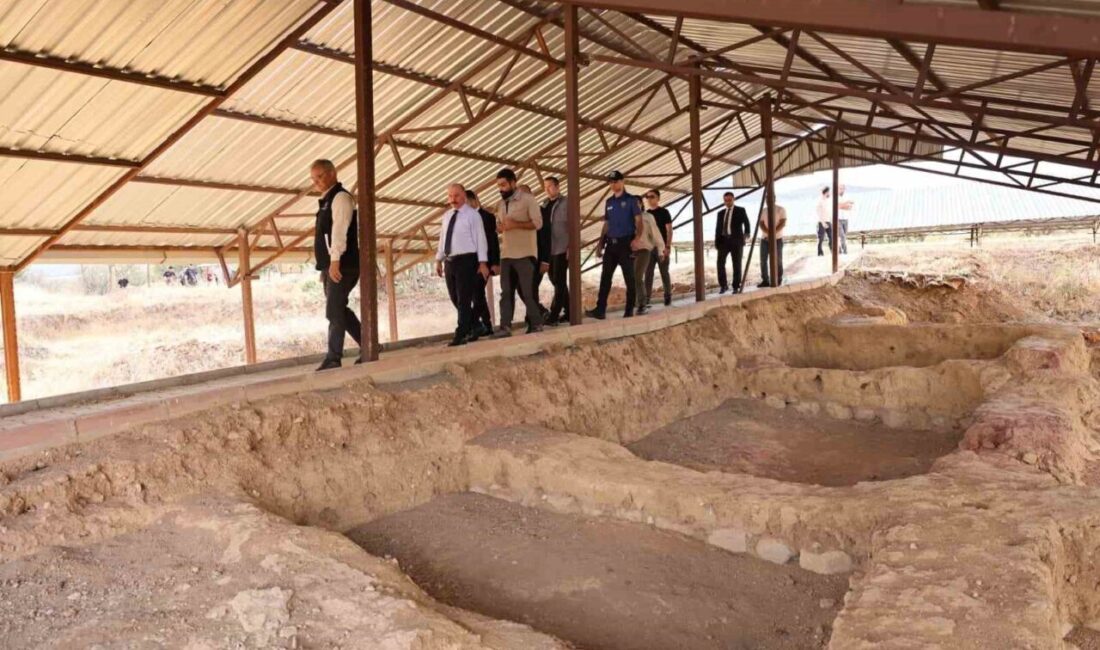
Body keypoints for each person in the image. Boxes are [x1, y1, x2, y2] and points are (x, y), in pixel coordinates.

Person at [310, 158, 362, 371]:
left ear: (333, 173)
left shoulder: (340, 198)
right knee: (339, 308)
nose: (317, 182)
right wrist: (326, 265)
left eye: (320, 176)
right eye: (313, 179)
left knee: (333, 311)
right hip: (331, 264)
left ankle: (334, 357)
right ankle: (369, 343)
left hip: (343, 264)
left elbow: (338, 232)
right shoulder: (326, 201)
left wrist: (335, 262)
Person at [436, 184, 490, 347]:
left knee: (464, 299)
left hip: (467, 260)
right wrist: (438, 259)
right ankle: (475, 325)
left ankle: (461, 332)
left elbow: (481, 239)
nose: (453, 199)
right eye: (450, 196)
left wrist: (482, 262)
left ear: (464, 197)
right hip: (450, 261)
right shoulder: (447, 216)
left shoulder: (473, 216)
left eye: (457, 195)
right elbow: (443, 239)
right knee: (454, 297)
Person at [586, 170, 643, 320]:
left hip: (626, 244)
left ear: (622, 181)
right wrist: (600, 243)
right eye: (610, 182)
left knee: (629, 278)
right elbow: (607, 224)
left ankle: (629, 309)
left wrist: (637, 239)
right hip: (611, 245)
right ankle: (600, 310)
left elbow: (639, 221)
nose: (613, 184)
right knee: (605, 278)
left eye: (616, 181)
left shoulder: (631, 200)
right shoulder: (609, 202)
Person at [494, 168, 544, 336]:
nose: (501, 188)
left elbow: (538, 223)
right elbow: (501, 226)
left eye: (503, 184)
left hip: (525, 253)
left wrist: (516, 224)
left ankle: (536, 323)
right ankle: (505, 327)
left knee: (528, 292)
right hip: (506, 254)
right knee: (506, 292)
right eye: (499, 185)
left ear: (513, 182)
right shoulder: (500, 204)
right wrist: (500, 228)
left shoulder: (528, 200)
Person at [466, 189, 500, 338]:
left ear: (474, 200)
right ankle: (486, 325)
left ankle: (472, 324)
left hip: (485, 261)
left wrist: (494, 262)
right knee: (476, 294)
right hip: (470, 263)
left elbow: (492, 241)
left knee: (478, 292)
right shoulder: (465, 218)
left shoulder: (487, 217)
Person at [541, 177, 571, 325]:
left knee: (559, 281)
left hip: (562, 247)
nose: (547, 189)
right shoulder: (545, 204)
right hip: (549, 249)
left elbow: (573, 224)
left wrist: (571, 246)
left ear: (557, 187)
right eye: (545, 187)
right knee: (554, 279)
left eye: (550, 186)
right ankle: (570, 311)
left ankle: (554, 315)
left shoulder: (566, 203)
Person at [634, 199, 665, 315]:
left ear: (641, 204)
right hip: (630, 251)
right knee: (631, 277)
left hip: (644, 249)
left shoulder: (647, 217)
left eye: (637, 203)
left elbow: (656, 233)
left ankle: (643, 304)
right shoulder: (626, 218)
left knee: (638, 276)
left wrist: (661, 251)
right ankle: (636, 302)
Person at [715, 191, 750, 294]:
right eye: (726, 200)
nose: (728, 202)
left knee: (737, 264)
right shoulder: (720, 213)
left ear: (733, 199)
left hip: (736, 241)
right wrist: (717, 242)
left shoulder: (740, 210)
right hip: (723, 241)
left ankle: (736, 286)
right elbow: (718, 229)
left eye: (729, 200)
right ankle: (723, 285)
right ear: (724, 201)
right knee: (720, 263)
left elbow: (747, 223)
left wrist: (746, 235)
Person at [643, 190, 673, 306]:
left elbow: (669, 230)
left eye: (652, 196)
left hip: (662, 248)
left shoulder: (664, 212)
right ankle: (647, 298)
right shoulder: (646, 214)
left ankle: (668, 296)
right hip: (650, 248)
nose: (649, 199)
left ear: (658, 198)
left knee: (664, 272)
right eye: (647, 197)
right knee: (648, 273)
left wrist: (668, 246)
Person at [758, 204, 788, 287]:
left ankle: (778, 279)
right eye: (766, 198)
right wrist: (768, 233)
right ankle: (765, 280)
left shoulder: (781, 209)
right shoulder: (763, 210)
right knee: (763, 260)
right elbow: (761, 223)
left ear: (774, 198)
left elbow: (782, 223)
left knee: (778, 260)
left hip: (777, 239)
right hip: (765, 239)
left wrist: (773, 233)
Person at [837, 183, 854, 255]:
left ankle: (839, 250)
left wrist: (841, 205)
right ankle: (845, 251)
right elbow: (836, 206)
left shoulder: (847, 196)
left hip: (846, 219)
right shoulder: (834, 197)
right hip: (837, 219)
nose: (841, 190)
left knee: (844, 236)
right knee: (842, 236)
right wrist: (845, 204)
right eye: (840, 188)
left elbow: (850, 207)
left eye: (842, 188)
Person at [816, 186, 832, 257]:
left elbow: (828, 212)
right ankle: (820, 253)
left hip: (828, 221)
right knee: (821, 239)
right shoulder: (820, 201)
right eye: (829, 192)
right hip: (821, 222)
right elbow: (818, 213)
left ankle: (832, 251)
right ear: (826, 192)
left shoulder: (827, 201)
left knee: (831, 237)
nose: (830, 193)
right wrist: (823, 222)